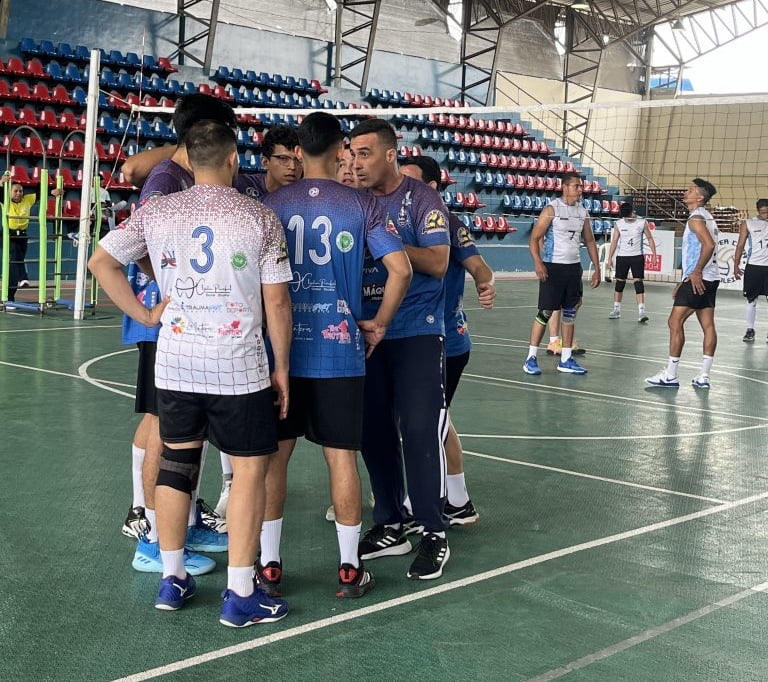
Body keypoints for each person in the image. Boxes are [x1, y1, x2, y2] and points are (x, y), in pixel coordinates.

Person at [89, 119, 293, 626]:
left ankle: (172, 577)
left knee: (177, 466)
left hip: (176, 363)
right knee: (249, 471)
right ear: (232, 159)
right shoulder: (259, 218)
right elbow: (278, 303)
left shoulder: (156, 211)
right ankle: (241, 593)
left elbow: (100, 262)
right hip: (238, 367)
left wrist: (145, 313)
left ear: (187, 158)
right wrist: (282, 367)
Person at [258, 112, 412, 598]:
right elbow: (401, 269)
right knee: (342, 459)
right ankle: (349, 567)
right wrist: (381, 321)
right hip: (340, 351)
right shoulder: (362, 205)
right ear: (341, 150)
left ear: (298, 152)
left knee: (273, 462)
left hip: (279, 354)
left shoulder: (269, 204)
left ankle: (268, 565)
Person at [121, 94, 239, 573]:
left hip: (182, 319)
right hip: (166, 320)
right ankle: (153, 539)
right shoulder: (167, 181)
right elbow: (135, 244)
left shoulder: (181, 173)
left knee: (181, 429)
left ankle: (182, 525)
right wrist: (173, 287)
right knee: (163, 427)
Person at [350, 118, 452, 580]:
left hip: (415, 331)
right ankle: (391, 521)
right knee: (372, 430)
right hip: (366, 331)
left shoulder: (421, 199)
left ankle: (434, 530)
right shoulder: (353, 199)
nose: (356, 162)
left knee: (417, 429)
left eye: (365, 153)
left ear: (391, 153)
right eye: (352, 153)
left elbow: (438, 261)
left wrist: (386, 243)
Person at [399, 155, 495, 526]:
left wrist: (486, 283)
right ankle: (458, 500)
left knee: (423, 424)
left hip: (444, 343)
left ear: (433, 188)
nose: (404, 189)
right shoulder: (402, 221)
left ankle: (418, 503)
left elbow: (479, 265)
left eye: (411, 182)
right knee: (440, 420)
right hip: (416, 339)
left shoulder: (449, 226)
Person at [523, 172, 600, 376]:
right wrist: (538, 263)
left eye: (580, 186)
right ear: (564, 187)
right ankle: (531, 358)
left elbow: (590, 241)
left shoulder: (582, 212)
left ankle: (565, 359)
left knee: (570, 312)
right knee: (546, 313)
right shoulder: (551, 209)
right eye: (576, 186)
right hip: (553, 267)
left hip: (573, 269)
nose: (580, 190)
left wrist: (597, 268)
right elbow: (534, 238)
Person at [646, 178, 719, 389]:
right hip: (711, 278)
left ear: (700, 197)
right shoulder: (708, 217)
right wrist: (683, 279)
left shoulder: (696, 218)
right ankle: (703, 376)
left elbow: (709, 245)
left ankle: (670, 375)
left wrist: (695, 273)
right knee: (708, 325)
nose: (686, 192)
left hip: (700, 278)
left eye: (690, 190)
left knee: (674, 322)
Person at [0, 173, 61, 304]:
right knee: (16, 257)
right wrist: (1, 182)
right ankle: (23, 278)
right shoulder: (5, 199)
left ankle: (9, 299)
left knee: (15, 266)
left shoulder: (27, 199)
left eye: (20, 191)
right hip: (8, 235)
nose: (18, 193)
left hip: (22, 235)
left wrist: (52, 192)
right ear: (9, 192)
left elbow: (40, 193)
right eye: (15, 191)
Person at [607, 202, 657, 323]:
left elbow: (650, 238)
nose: (627, 218)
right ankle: (616, 310)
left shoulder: (642, 222)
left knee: (638, 283)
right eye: (625, 217)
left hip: (637, 257)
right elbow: (614, 241)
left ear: (632, 212)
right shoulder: (619, 224)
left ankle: (641, 312)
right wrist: (609, 257)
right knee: (620, 284)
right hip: (622, 257)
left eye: (628, 216)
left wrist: (654, 255)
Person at [733, 198, 768, 342]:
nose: (766, 215)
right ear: (758, 211)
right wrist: (736, 265)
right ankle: (750, 329)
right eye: (763, 212)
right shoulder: (748, 223)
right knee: (751, 300)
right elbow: (740, 245)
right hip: (754, 266)